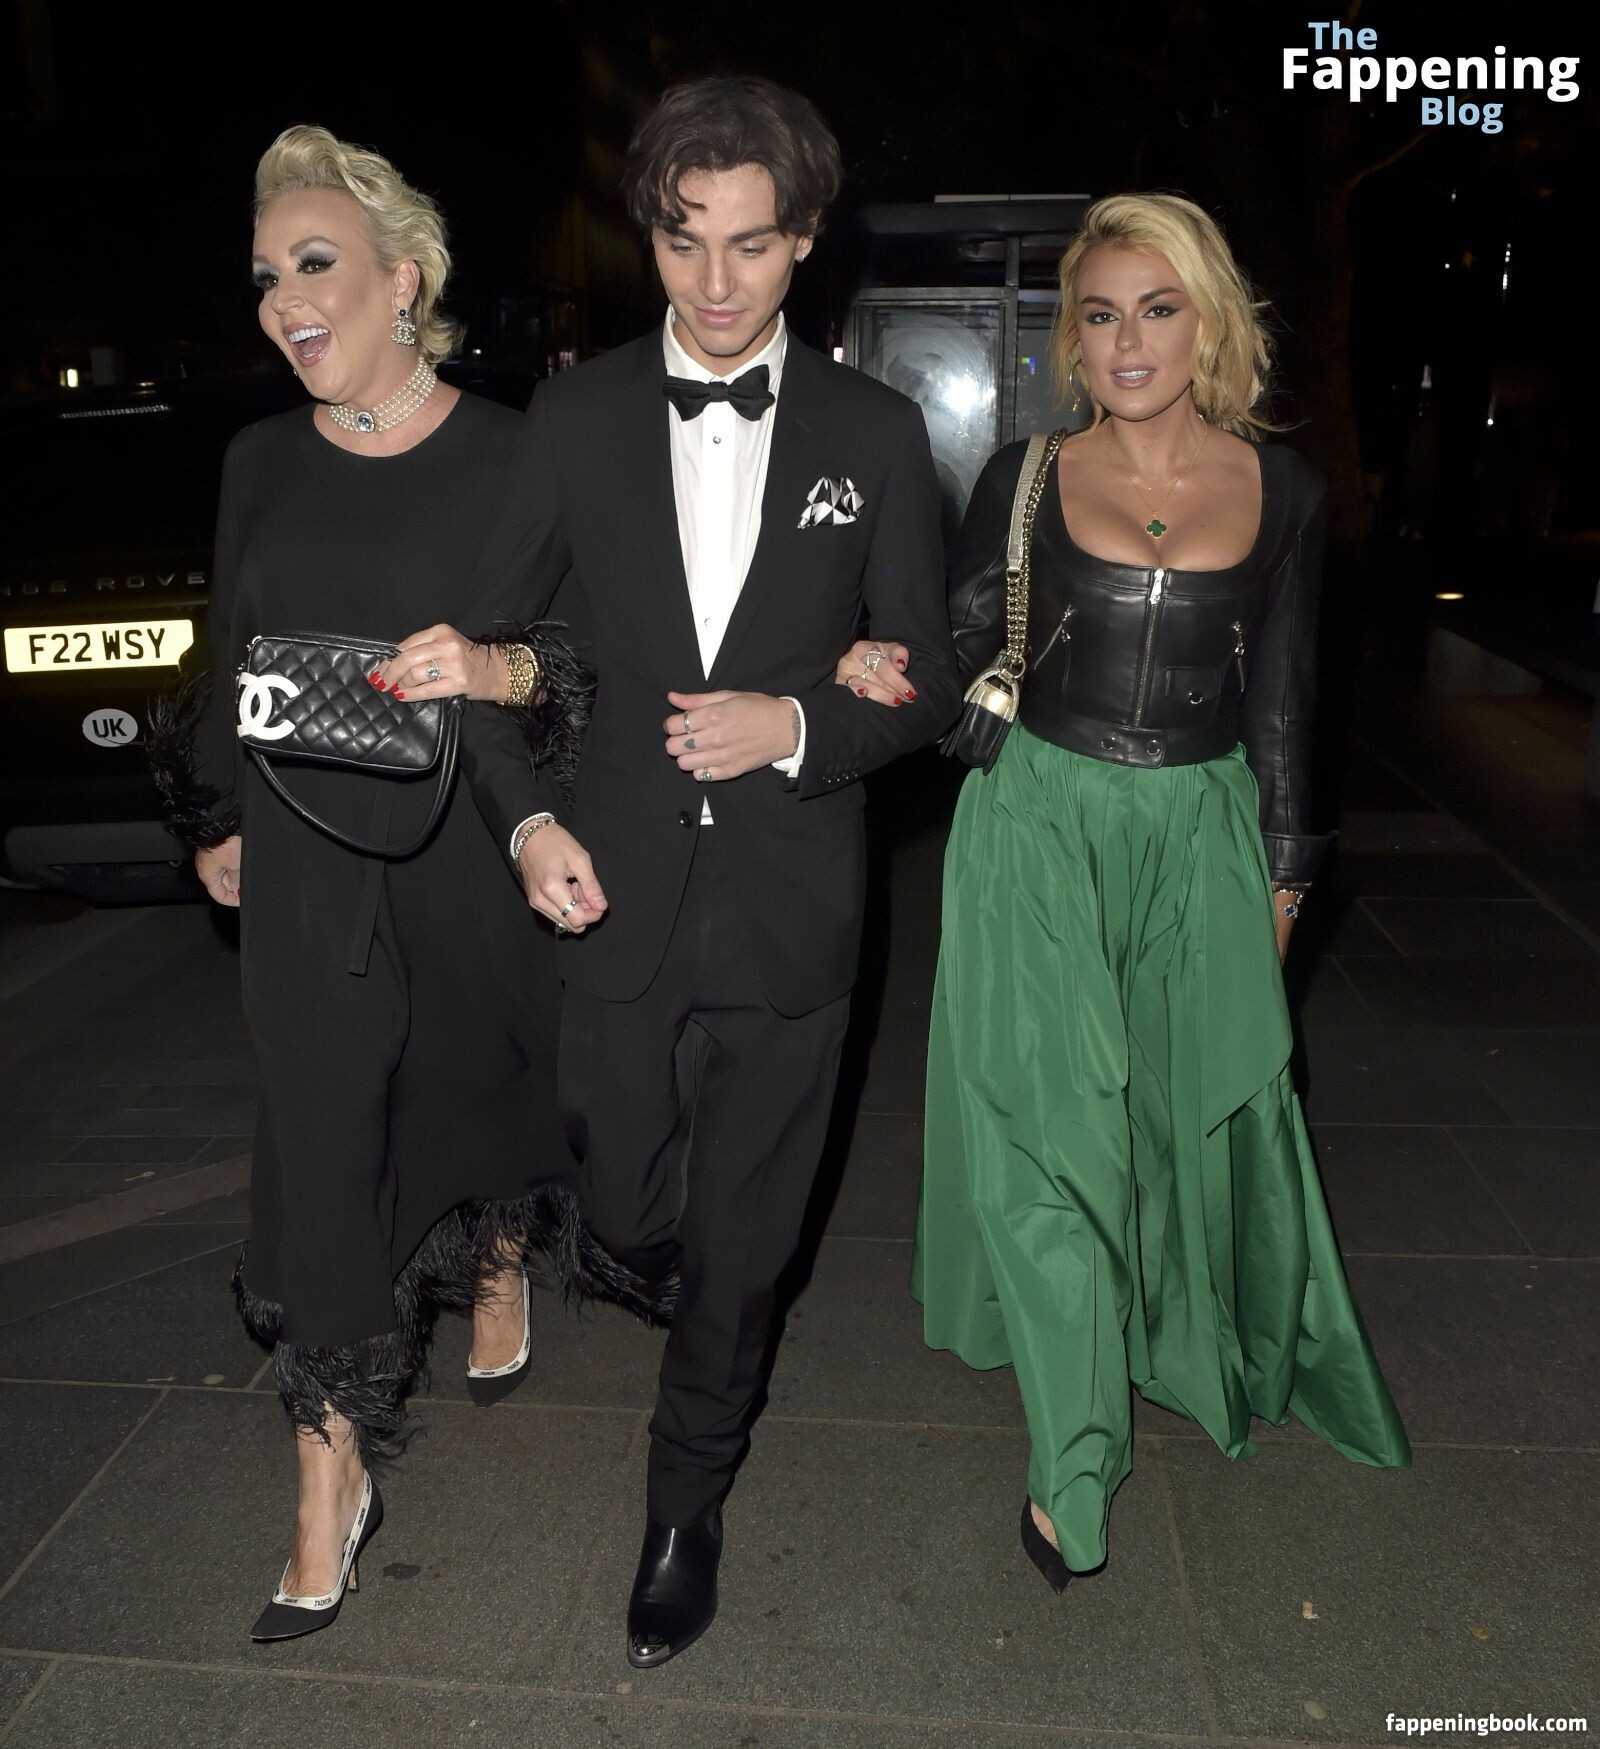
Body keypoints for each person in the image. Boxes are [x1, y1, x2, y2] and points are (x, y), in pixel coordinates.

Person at [462, 76, 959, 1667]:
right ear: (652, 239)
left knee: (744, 1245)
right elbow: (481, 662)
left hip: (792, 908)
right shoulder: (577, 417)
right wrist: (526, 824)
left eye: (751, 244)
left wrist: (799, 723)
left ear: (805, 240)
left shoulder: (877, 434)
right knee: (622, 1192)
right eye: (686, 243)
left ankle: (687, 1498)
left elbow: (927, 679)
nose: (717, 281)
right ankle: (672, 1269)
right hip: (611, 891)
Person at [151, 125, 638, 1645]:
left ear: (404, 279)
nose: (284, 301)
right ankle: (327, 1479)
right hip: (305, 850)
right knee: (318, 1152)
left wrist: (494, 669)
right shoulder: (258, 461)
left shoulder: (512, 451)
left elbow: (578, 664)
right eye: (265, 277)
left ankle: (496, 1254)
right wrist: (214, 810)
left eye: (316, 264)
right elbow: (228, 644)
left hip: (462, 846)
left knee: (472, 1087)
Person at [898, 193, 1411, 1590]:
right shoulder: (1024, 475)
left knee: (1186, 1117)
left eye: (1159, 309)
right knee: (1056, 1129)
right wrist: (872, 664)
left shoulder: (1284, 491)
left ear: (1211, 324)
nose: (1128, 342)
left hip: (1199, 832)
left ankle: (1180, 1331)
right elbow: (956, 649)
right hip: (1038, 824)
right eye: (1102, 314)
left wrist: (1287, 883)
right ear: (1074, 336)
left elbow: (1288, 706)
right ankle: (1073, 1458)